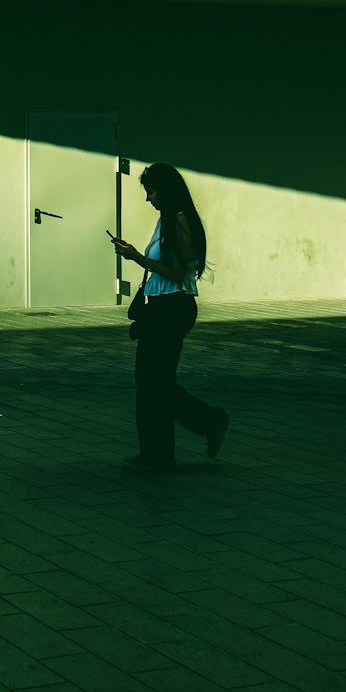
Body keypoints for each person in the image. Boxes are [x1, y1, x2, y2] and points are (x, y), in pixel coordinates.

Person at [109, 163, 230, 470]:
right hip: (160, 308)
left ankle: (204, 424)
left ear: (166, 190)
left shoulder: (181, 221)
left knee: (155, 383)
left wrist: (137, 257)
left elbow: (176, 274)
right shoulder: (167, 221)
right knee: (152, 382)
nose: (148, 199)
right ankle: (159, 452)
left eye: (151, 191)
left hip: (172, 308)